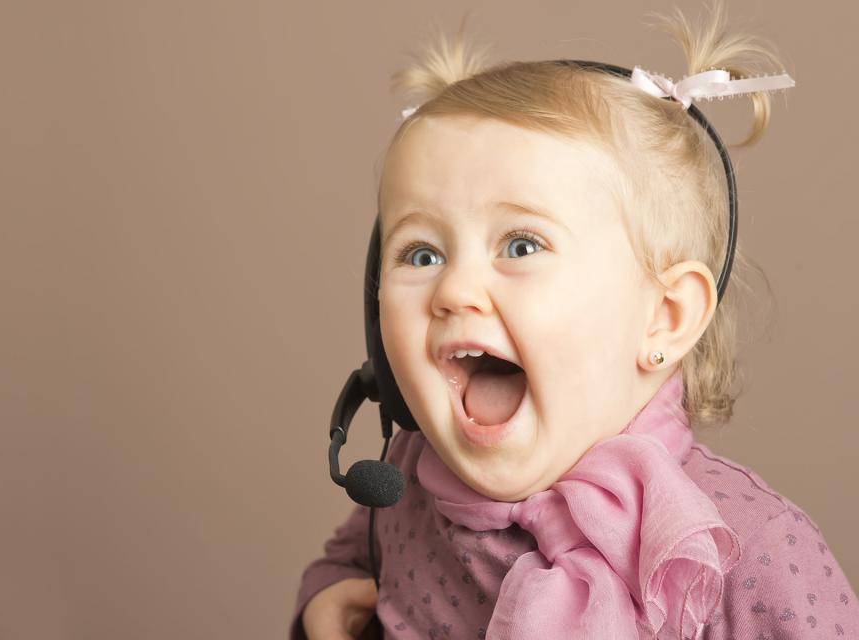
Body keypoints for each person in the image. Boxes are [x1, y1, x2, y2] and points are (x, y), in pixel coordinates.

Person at [293, 2, 858, 638]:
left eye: (521, 246)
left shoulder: (751, 554)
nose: (454, 289)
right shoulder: (407, 484)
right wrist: (327, 595)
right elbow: (351, 560)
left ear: (664, 318)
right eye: (422, 254)